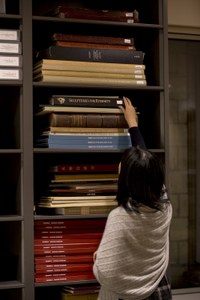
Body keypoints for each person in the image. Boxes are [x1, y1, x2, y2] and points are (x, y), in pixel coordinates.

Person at [93, 97, 172, 300]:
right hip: (158, 290)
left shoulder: (120, 216)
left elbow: (106, 273)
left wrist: (97, 260)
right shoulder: (164, 205)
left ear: (127, 180)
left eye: (123, 165)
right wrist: (133, 125)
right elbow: (145, 164)